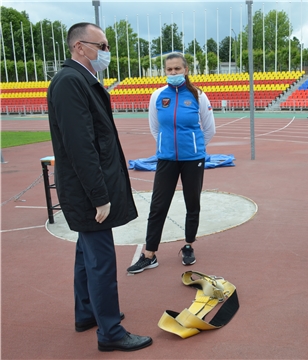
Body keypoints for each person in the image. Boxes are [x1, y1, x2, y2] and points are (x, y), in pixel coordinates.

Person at [47, 22, 152, 351]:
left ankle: (87, 312)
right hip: (87, 192)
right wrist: (99, 197)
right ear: (80, 47)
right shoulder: (70, 82)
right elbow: (81, 147)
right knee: (101, 260)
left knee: (86, 253)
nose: (106, 51)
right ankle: (110, 332)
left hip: (84, 190)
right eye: (101, 45)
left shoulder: (78, 80)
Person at [127, 52, 216, 274]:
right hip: (166, 159)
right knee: (158, 206)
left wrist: (193, 148)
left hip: (193, 160)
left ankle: (188, 246)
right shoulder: (157, 96)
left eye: (177, 69)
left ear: (186, 70)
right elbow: (155, 128)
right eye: (169, 70)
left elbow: (209, 129)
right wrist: (167, 147)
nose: (173, 73)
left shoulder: (198, 96)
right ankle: (150, 254)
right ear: (165, 72)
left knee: (192, 203)